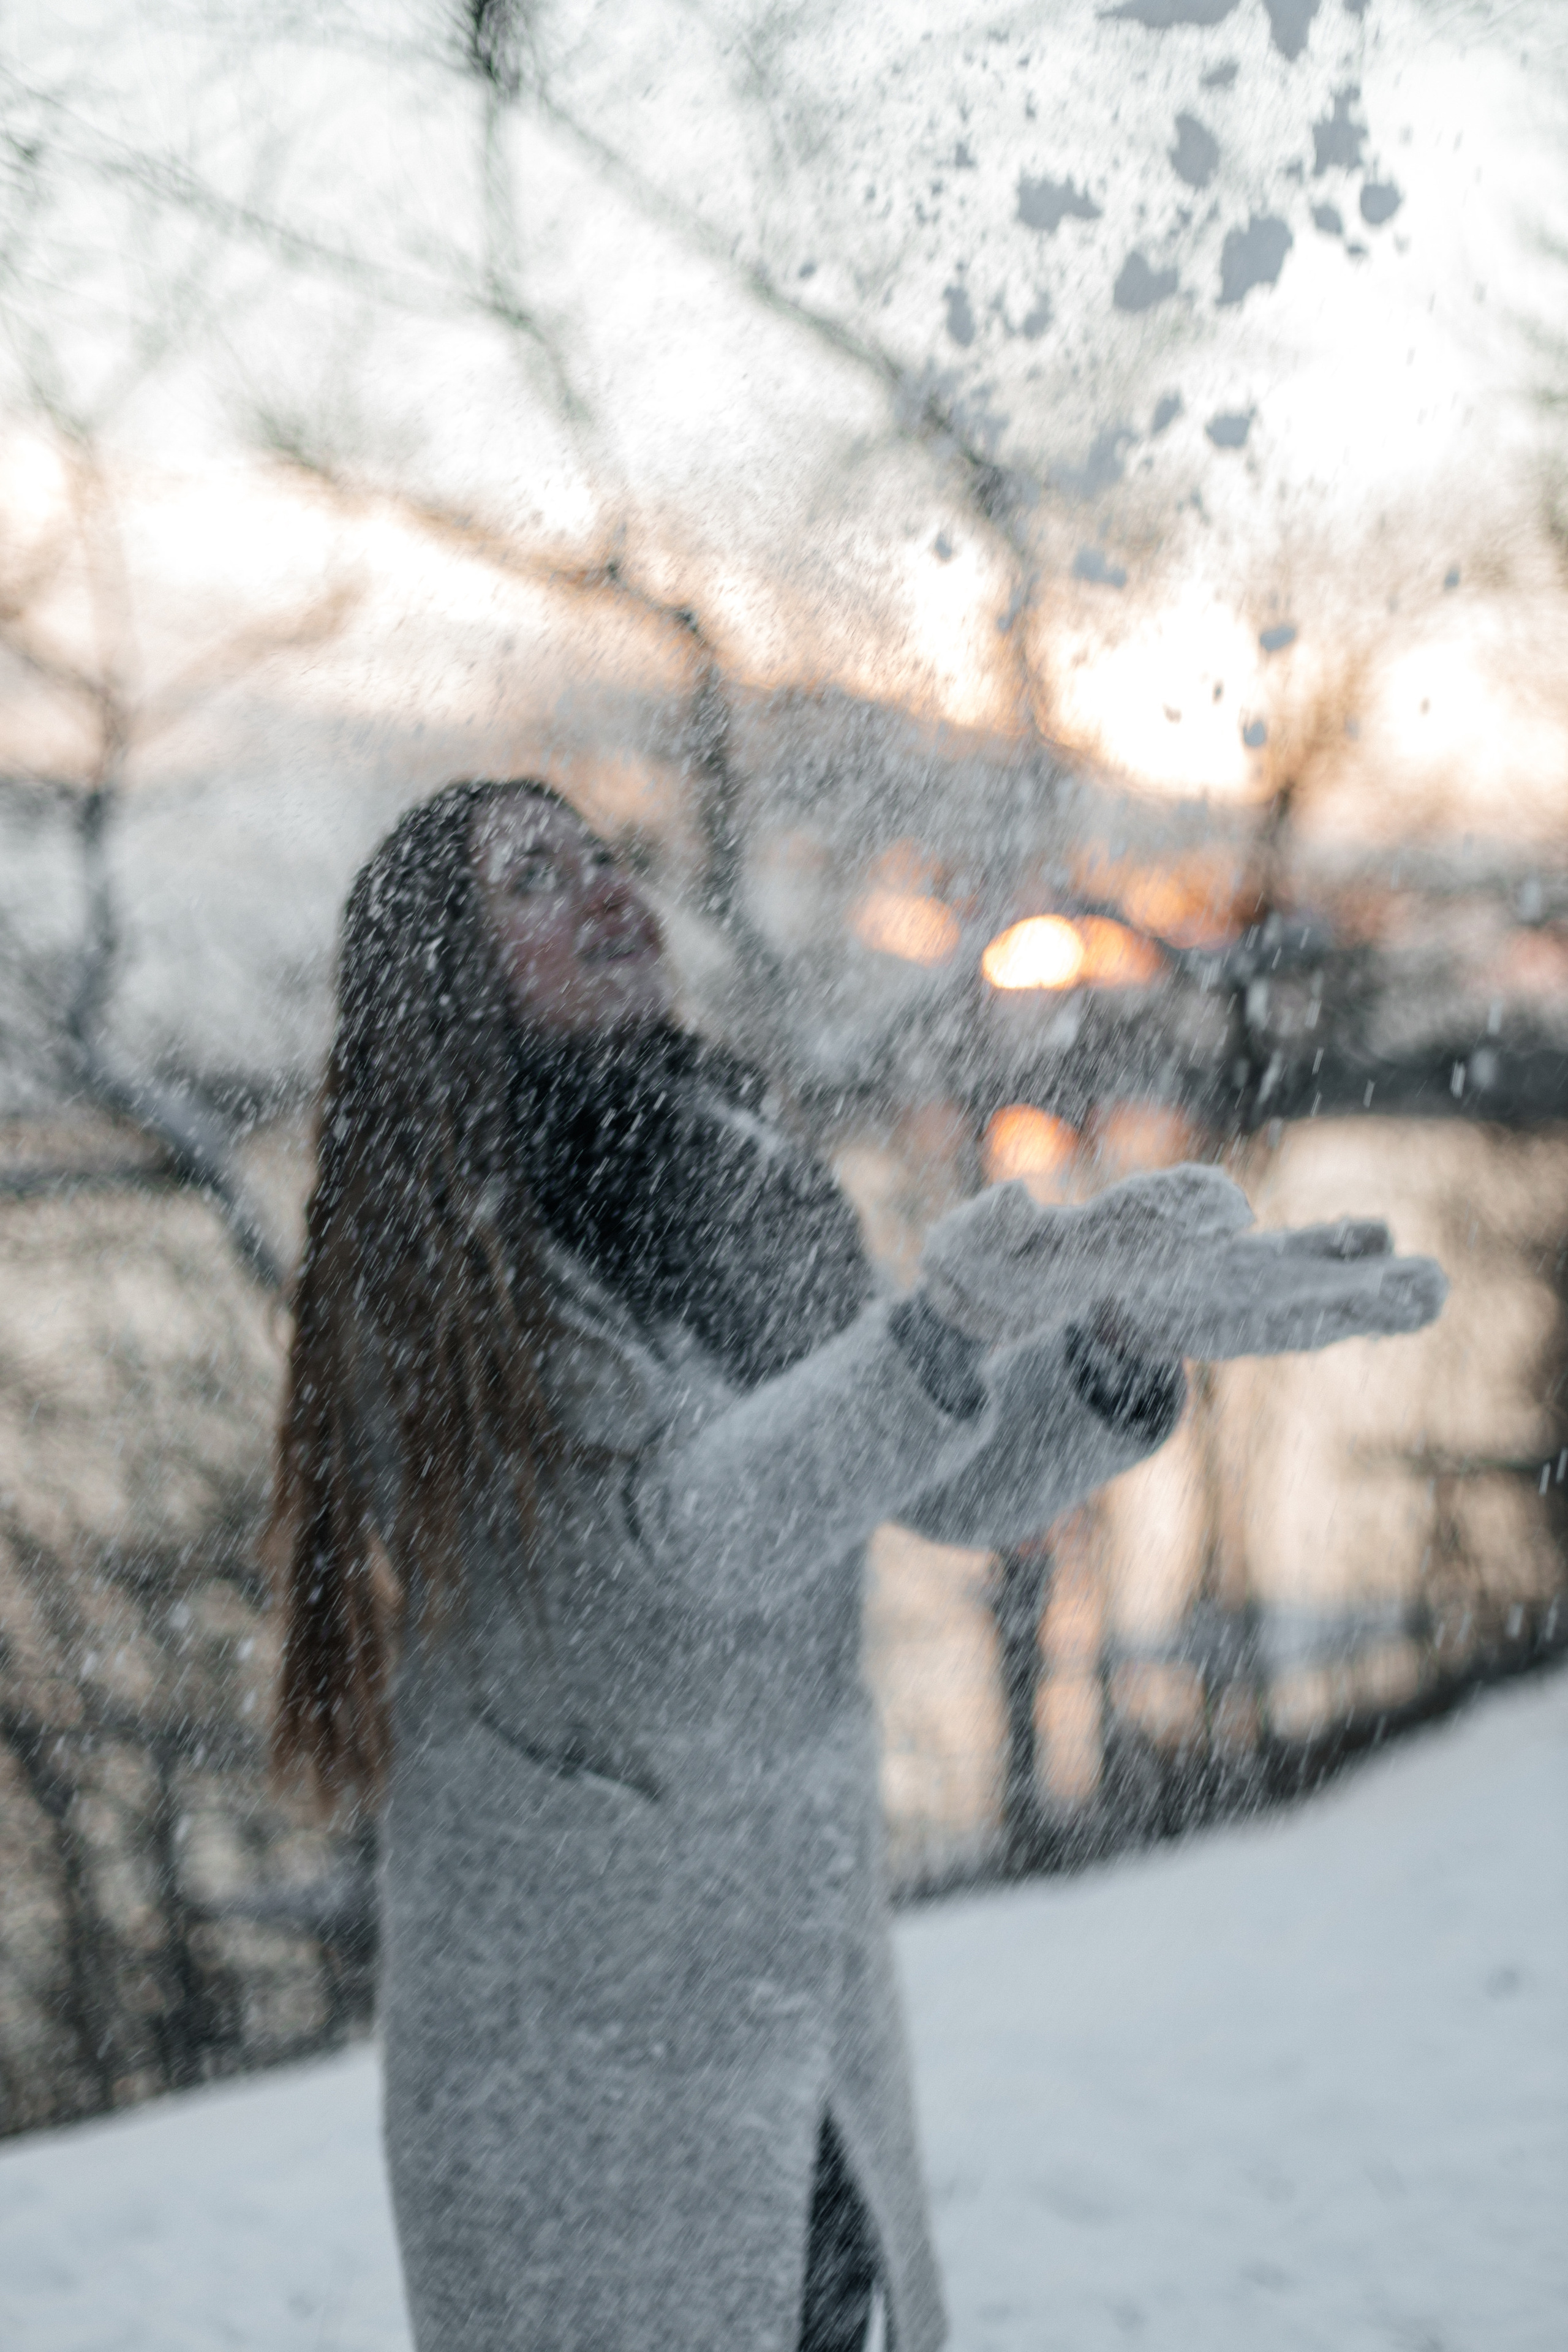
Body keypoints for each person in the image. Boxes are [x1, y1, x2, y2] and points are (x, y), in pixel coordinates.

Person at [268, 778, 1445, 2352]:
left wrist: (1117, 1348)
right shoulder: (440, 1280)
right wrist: (941, 1329)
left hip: (787, 2015)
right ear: (444, 978)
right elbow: (671, 1570)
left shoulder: (720, 1176)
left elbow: (938, 1473)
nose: (610, 893)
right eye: (536, 882)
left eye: (610, 860)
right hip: (581, 2069)